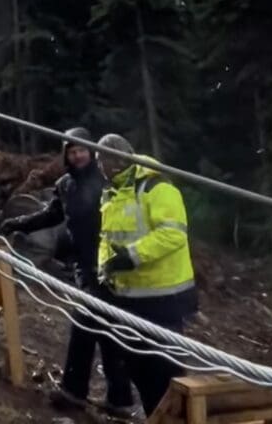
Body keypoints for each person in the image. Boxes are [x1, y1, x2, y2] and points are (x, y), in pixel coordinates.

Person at [0, 128, 133, 418]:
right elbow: (52, 214)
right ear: (66, 156)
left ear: (91, 151)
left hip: (112, 263)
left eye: (81, 150)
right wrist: (19, 222)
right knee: (95, 324)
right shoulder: (64, 185)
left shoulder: (106, 180)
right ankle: (109, 396)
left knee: (99, 326)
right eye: (71, 152)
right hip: (83, 265)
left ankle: (97, 394)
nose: (77, 156)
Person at [95, 134, 198, 417]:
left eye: (107, 159)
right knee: (136, 365)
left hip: (164, 295)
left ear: (120, 159)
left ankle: (181, 418)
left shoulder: (156, 187)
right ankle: (156, 415)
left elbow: (173, 234)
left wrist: (132, 255)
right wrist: (106, 267)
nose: (103, 166)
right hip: (129, 295)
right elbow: (108, 238)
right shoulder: (112, 192)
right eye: (100, 161)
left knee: (165, 369)